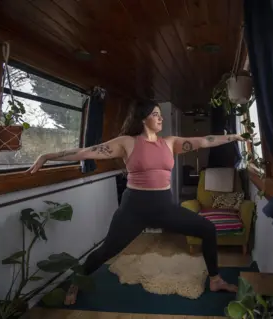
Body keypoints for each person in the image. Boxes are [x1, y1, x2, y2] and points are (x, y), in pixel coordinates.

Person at [27, 100, 247, 305]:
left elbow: (205, 141)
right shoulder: (127, 143)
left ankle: (215, 279)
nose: (161, 119)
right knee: (106, 251)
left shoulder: (169, 143)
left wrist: (234, 137)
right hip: (134, 210)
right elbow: (87, 152)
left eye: (161, 115)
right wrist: (48, 156)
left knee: (207, 229)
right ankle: (77, 279)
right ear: (143, 118)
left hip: (164, 208)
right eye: (156, 115)